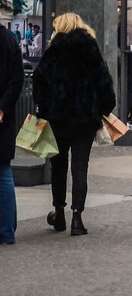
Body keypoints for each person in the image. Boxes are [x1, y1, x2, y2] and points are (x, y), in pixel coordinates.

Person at [32, 13, 116, 236]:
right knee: (80, 167)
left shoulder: (53, 51)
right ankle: (77, 217)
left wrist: (44, 108)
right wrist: (104, 108)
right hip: (85, 119)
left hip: (57, 119)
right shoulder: (90, 49)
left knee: (58, 166)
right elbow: (104, 81)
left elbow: (39, 82)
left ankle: (59, 212)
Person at [0, 21, 24, 245]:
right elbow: (17, 79)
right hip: (3, 119)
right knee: (4, 172)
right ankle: (7, 230)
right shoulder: (9, 39)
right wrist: (3, 107)